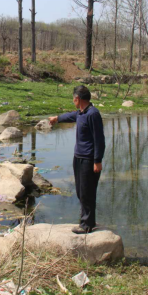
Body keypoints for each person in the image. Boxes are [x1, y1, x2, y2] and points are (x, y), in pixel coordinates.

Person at [49, 85, 106, 234]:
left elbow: (99, 139)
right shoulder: (81, 113)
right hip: (78, 158)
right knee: (81, 192)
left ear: (78, 99)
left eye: (73, 99)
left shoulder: (93, 114)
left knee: (87, 192)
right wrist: (57, 118)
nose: (73, 101)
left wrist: (97, 161)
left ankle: (87, 225)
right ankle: (88, 220)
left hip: (89, 160)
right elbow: (70, 116)